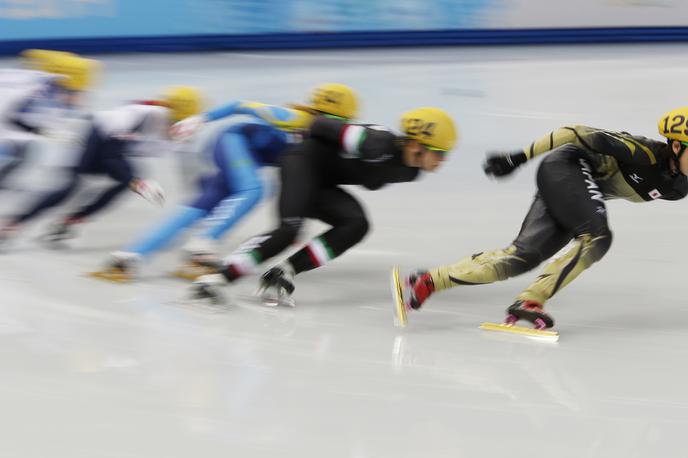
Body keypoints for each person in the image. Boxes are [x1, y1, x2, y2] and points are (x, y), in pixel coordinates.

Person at [395, 109, 688, 330]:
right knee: (598, 237)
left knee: (521, 257)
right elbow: (573, 131)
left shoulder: (681, 182)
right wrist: (517, 158)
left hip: (578, 191)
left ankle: (429, 280)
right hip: (567, 167)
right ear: (676, 146)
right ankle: (530, 300)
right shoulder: (642, 152)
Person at [90, 83, 359, 282]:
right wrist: (201, 119)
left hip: (243, 156)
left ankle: (131, 256)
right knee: (255, 189)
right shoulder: (297, 119)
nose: (327, 125)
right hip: (233, 141)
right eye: (321, 115)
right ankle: (203, 242)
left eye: (336, 122)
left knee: (200, 206)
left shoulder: (332, 142)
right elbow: (240, 105)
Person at [192, 106, 458, 306]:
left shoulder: (411, 171)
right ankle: (218, 277)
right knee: (288, 231)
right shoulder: (376, 142)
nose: (443, 161)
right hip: (301, 163)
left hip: (323, 181)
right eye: (440, 153)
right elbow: (319, 124)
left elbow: (369, 178)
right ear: (415, 144)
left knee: (356, 224)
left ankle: (283, 271)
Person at [0, 86, 202, 249]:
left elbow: (190, 173)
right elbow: (110, 157)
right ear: (166, 112)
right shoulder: (142, 116)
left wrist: (197, 206)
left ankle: (72, 219)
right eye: (173, 122)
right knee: (71, 186)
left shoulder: (182, 136)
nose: (175, 130)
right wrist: (137, 183)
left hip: (115, 149)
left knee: (129, 181)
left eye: (182, 125)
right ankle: (11, 224)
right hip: (96, 137)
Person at [0, 49, 96, 190]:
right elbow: (13, 119)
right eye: (74, 92)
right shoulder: (34, 92)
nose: (78, 97)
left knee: (22, 152)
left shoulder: (47, 85)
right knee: (16, 150)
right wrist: (40, 130)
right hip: (9, 121)